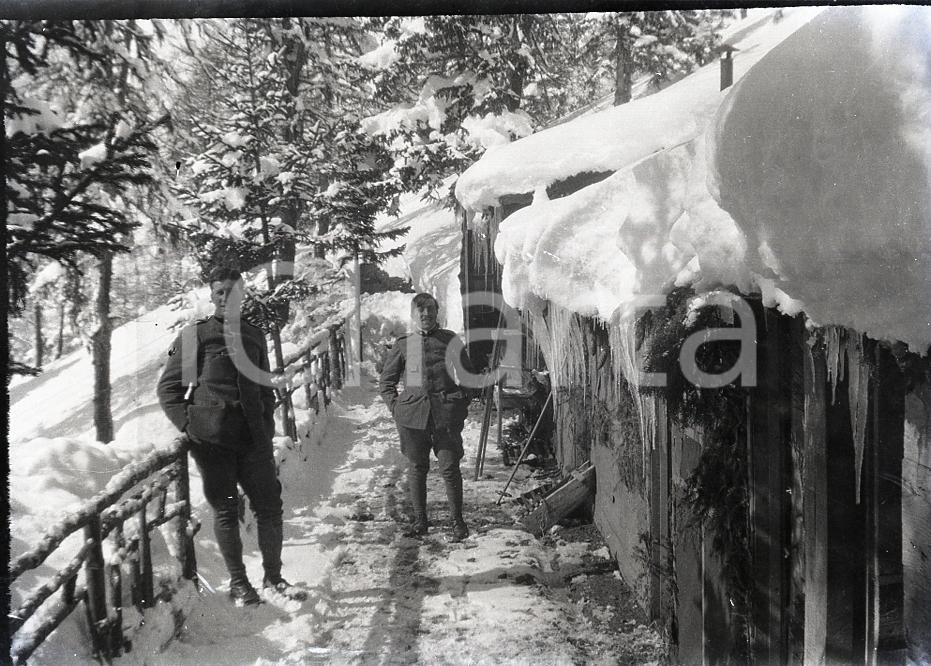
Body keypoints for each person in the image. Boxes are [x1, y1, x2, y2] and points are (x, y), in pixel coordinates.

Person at [157, 267, 299, 605]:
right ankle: (239, 583)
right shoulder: (196, 337)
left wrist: (266, 421)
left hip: (253, 439)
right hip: (214, 443)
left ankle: (274, 577)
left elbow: (264, 385)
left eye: (232, 292)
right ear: (212, 295)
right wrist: (190, 427)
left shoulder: (252, 335)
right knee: (226, 510)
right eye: (219, 292)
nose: (225, 298)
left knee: (270, 508)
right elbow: (170, 389)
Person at [379, 293, 476, 541]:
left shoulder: (450, 340)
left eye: (430, 311)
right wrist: (397, 408)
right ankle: (421, 521)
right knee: (417, 467)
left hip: (445, 416)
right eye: (420, 312)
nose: (426, 315)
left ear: (437, 313)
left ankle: (458, 522)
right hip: (412, 418)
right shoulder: (404, 344)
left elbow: (468, 378)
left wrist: (460, 404)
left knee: (450, 468)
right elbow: (387, 382)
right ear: (413, 316)